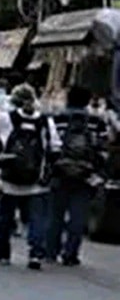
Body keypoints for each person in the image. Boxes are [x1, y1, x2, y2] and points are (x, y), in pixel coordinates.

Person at [0, 83, 60, 269]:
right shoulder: (46, 121)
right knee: (37, 219)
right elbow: (54, 148)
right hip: (37, 182)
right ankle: (35, 254)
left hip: (8, 180)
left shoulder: (5, 118)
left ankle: (3, 254)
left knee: (5, 218)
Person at [46, 85, 109, 266]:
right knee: (78, 217)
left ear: (68, 99)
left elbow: (49, 145)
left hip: (59, 173)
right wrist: (97, 172)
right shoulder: (97, 122)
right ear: (88, 101)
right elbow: (103, 149)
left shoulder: (56, 119)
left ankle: (51, 251)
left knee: (55, 215)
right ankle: (70, 254)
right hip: (85, 176)